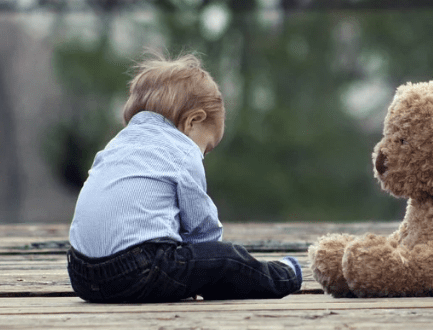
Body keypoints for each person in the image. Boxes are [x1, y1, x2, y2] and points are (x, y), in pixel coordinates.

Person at [67, 52, 302, 303]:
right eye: (207, 147)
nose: (203, 155)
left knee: (192, 263)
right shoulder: (181, 150)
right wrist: (210, 263)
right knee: (228, 259)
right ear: (193, 121)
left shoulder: (116, 145)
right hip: (137, 272)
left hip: (81, 274)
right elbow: (202, 229)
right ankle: (285, 275)